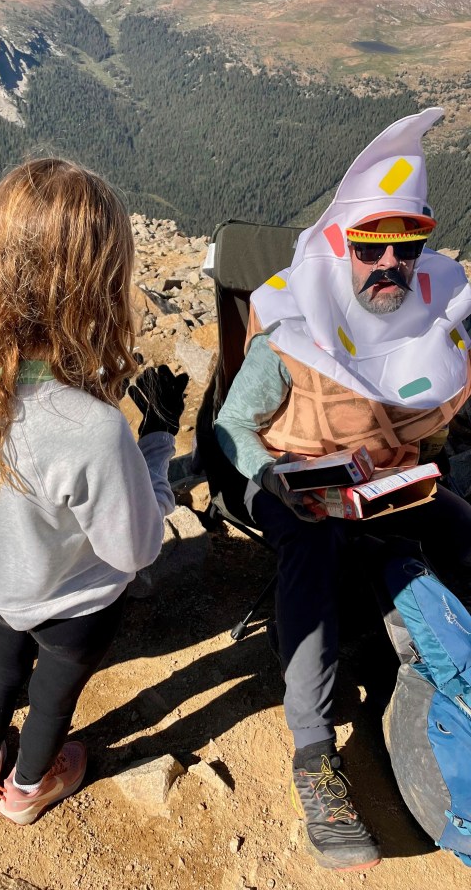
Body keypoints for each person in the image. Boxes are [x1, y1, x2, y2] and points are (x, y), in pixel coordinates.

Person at [214, 107, 471, 872]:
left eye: (407, 244)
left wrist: (424, 464)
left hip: (392, 485)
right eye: (370, 245)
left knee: (461, 527)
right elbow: (233, 427)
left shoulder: (438, 326)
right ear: (340, 245)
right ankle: (314, 753)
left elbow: (437, 432)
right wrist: (278, 479)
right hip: (294, 482)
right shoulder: (295, 329)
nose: (390, 261)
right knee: (313, 560)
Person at [0, 158, 188, 824]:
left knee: (0, 671)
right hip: (74, 604)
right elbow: (134, 548)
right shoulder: (95, 432)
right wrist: (156, 440)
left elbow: (27, 442)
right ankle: (26, 789)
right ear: (97, 284)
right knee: (50, 699)